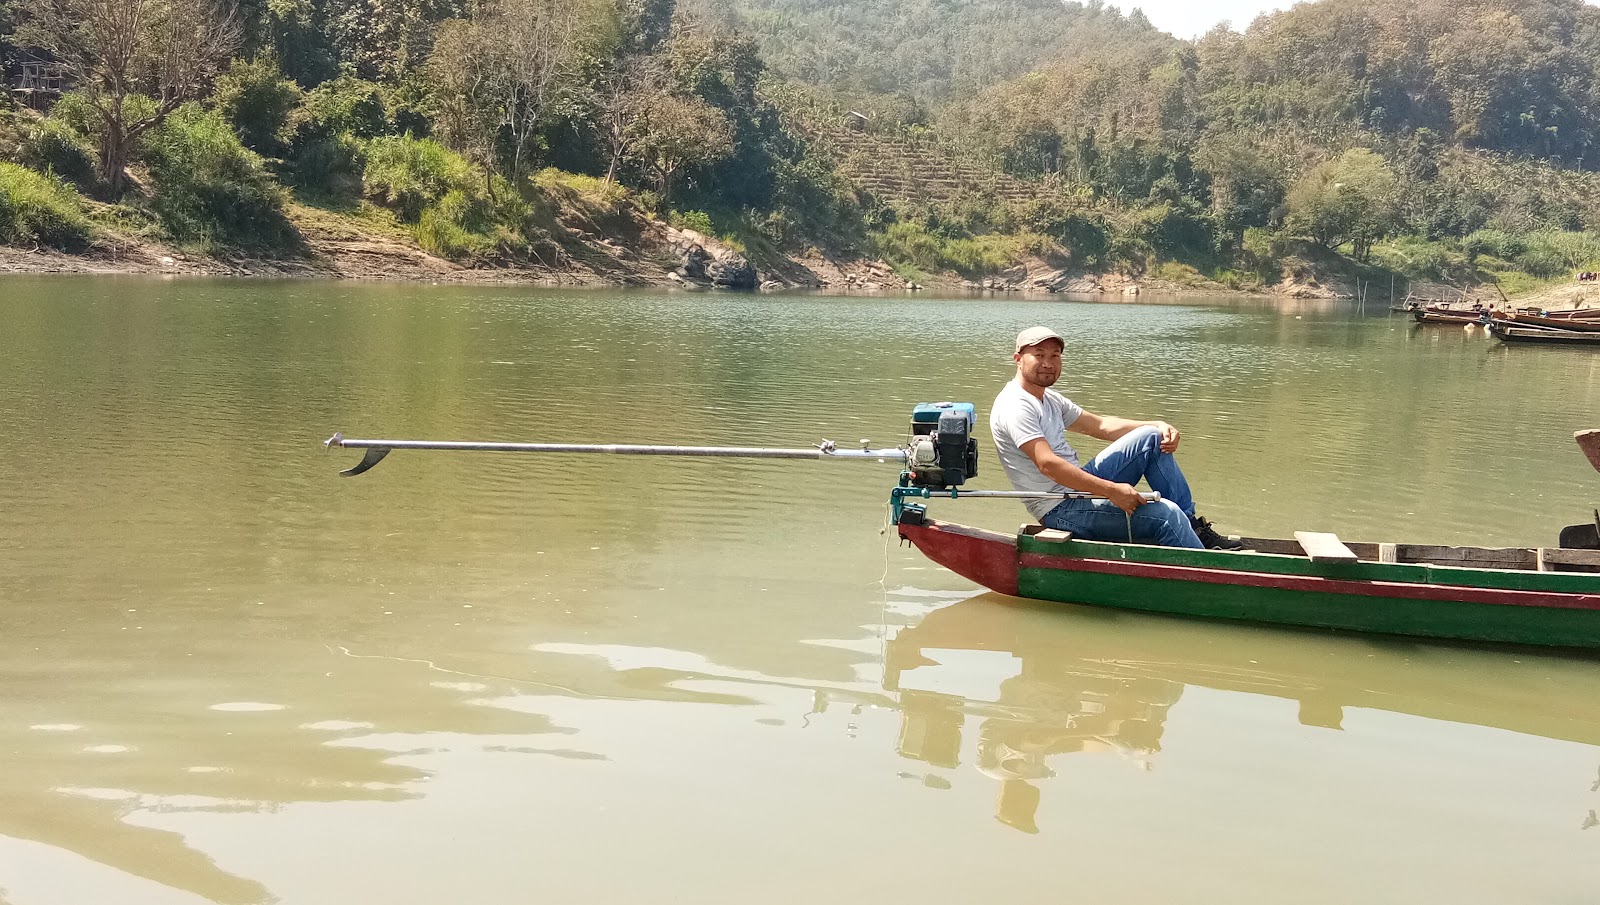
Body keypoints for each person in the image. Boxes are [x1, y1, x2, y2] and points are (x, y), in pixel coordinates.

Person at [989, 326, 1242, 550]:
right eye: (1039, 355)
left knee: (1150, 438)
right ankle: (1206, 571)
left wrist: (1158, 424)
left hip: (1076, 492)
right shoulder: (1015, 405)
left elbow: (1100, 426)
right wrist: (1112, 491)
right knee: (1167, 514)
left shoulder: (1048, 398)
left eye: (1054, 356)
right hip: (1059, 508)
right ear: (1018, 360)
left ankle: (1193, 529)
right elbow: (1048, 464)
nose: (1048, 363)